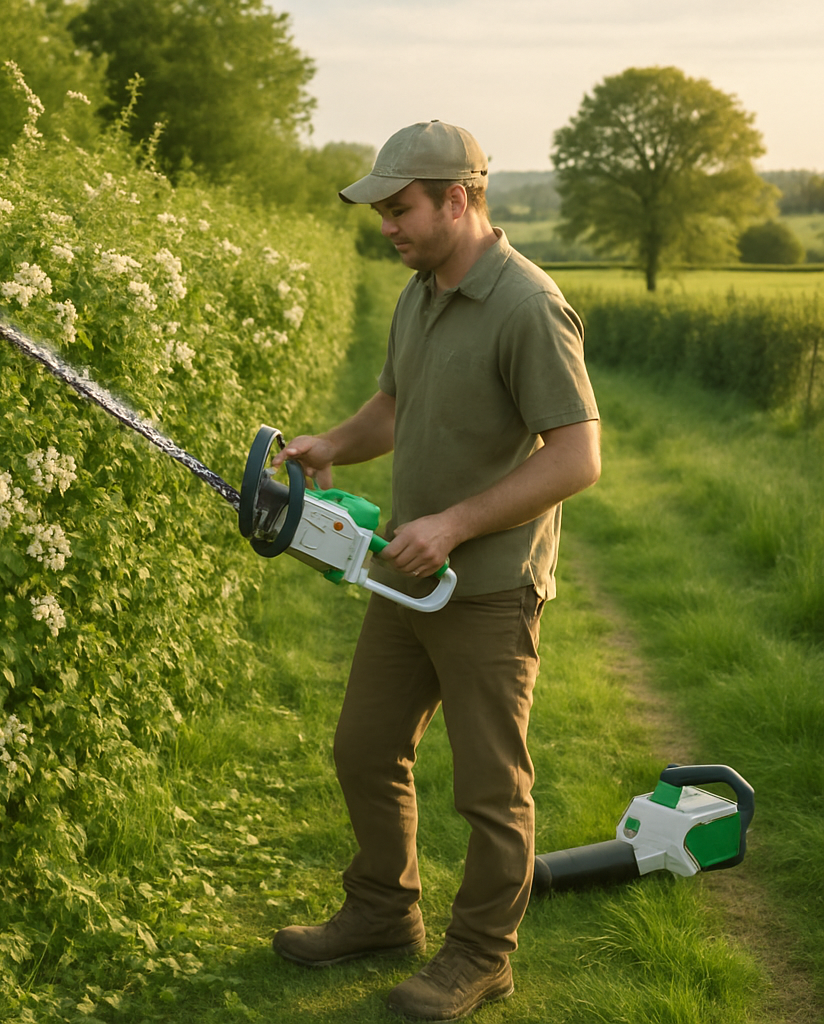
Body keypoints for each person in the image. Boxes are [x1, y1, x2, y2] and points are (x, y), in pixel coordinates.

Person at [270, 119, 601, 1021]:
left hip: (488, 586)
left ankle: (482, 956)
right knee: (365, 748)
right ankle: (383, 912)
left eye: (400, 207)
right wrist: (332, 443)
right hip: (403, 573)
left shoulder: (528, 305)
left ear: (458, 199)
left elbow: (577, 456)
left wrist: (454, 524)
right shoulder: (419, 294)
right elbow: (395, 401)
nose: (387, 225)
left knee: (491, 789)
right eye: (382, 209)